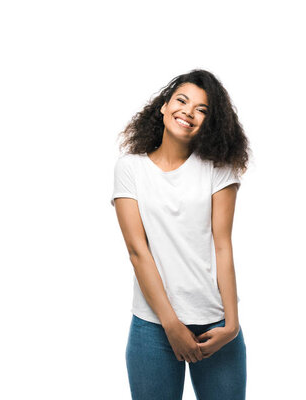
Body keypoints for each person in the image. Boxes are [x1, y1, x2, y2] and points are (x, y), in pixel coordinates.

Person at [110, 69, 250, 400]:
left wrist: (231, 325)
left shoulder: (219, 168)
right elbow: (137, 251)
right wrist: (172, 326)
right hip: (153, 327)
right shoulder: (130, 168)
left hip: (216, 325)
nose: (188, 112)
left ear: (209, 122)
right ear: (163, 106)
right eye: (182, 101)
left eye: (202, 109)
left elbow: (222, 246)